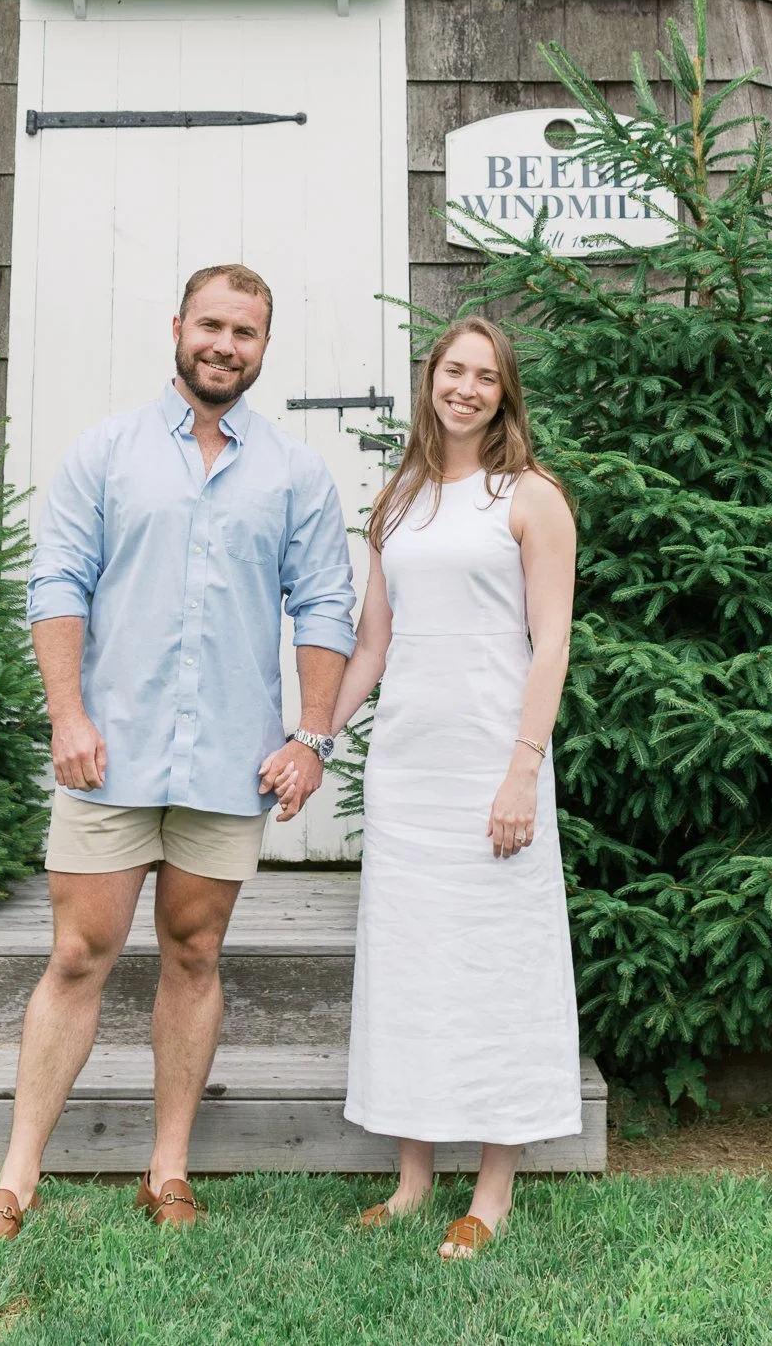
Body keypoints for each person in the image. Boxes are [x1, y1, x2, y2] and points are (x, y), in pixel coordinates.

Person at [0, 264, 355, 1239]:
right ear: (178, 327)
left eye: (246, 333)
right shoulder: (107, 453)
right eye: (212, 325)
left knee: (195, 950)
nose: (225, 345)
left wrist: (310, 736)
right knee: (79, 952)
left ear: (265, 346)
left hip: (231, 762)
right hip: (111, 757)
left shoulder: (293, 473)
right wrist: (67, 716)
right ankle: (15, 1180)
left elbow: (325, 604)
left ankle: (167, 1170)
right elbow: (57, 583)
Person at [322, 315, 579, 1258]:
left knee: (496, 967)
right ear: (430, 379)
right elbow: (373, 647)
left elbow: (550, 641)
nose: (464, 387)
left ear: (504, 392)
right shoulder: (399, 501)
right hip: (407, 772)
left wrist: (523, 767)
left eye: (484, 376)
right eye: (451, 370)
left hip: (493, 766)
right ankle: (412, 1178)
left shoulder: (530, 497)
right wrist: (315, 735)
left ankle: (493, 1188)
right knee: (413, 969)